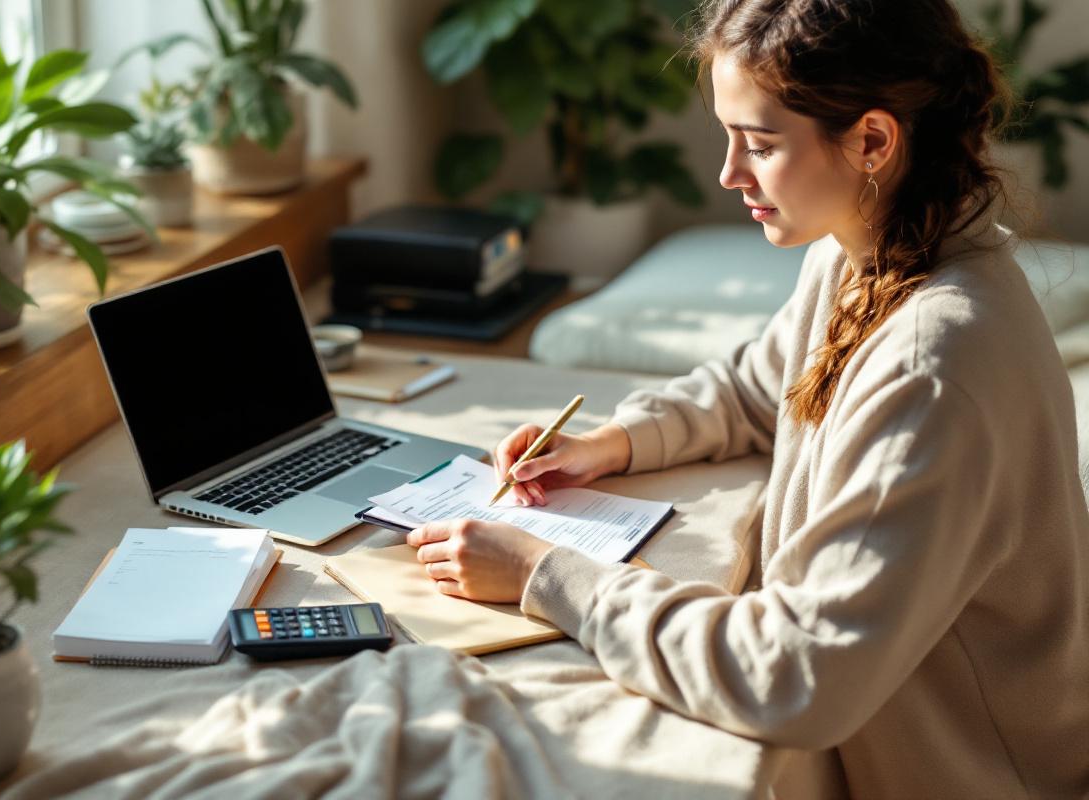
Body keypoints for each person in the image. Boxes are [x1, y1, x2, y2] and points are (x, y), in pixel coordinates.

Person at [405, 1, 1089, 796]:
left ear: (872, 140)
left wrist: (545, 573)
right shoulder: (870, 254)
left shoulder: (932, 363)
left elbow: (797, 675)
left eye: (759, 146)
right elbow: (757, 389)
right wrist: (610, 442)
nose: (730, 174)